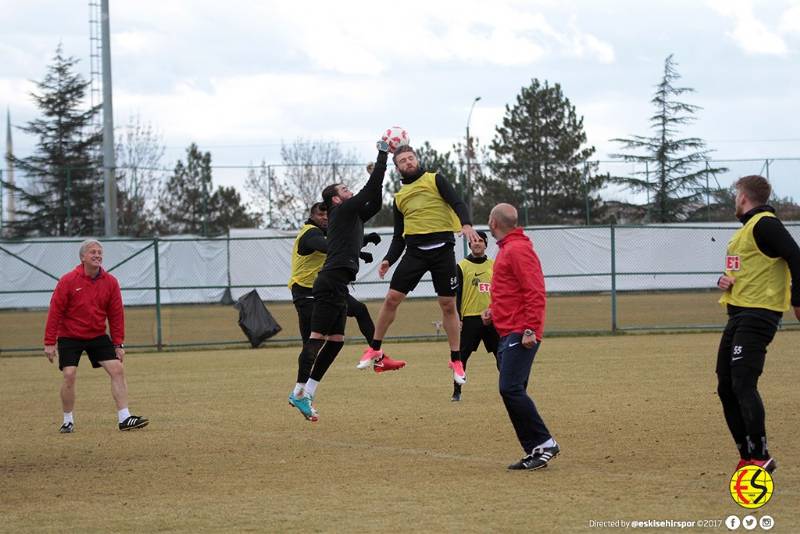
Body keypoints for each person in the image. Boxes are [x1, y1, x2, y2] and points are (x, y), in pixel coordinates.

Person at [287, 140, 405, 421]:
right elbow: (367, 191)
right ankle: (299, 391)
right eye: (344, 190)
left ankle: (308, 392)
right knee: (314, 341)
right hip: (326, 285)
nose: (349, 191)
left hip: (335, 283)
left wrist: (378, 177)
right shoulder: (340, 211)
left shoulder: (349, 215)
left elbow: (373, 200)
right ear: (337, 200)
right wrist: (382, 155)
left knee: (336, 341)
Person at [357, 144, 482, 385]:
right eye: (402, 160)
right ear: (397, 168)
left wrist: (466, 223)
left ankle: (456, 359)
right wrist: (388, 260)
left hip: (442, 250)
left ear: (417, 159)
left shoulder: (435, 180)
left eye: (410, 158)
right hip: (414, 252)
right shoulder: (399, 197)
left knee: (447, 305)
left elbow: (457, 202)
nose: (408, 162)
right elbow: (398, 237)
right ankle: (374, 348)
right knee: (391, 298)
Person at [716, 175, 800, 474]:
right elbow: (744, 271)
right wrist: (723, 280)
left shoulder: (766, 223)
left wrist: (798, 299)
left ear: (743, 197)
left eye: (736, 194)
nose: (734, 199)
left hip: (758, 315)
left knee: (742, 383)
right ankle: (747, 455)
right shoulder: (747, 232)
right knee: (726, 386)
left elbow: (795, 256)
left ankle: (760, 455)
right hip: (738, 315)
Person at [43, 239, 149, 433]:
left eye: (100, 252)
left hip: (97, 335)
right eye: (92, 252)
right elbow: (55, 311)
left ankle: (125, 418)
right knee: (69, 374)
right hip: (70, 336)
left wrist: (118, 344)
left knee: (117, 369)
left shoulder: (110, 282)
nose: (97, 255)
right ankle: (68, 420)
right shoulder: (68, 280)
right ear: (83, 257)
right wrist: (50, 342)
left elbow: (116, 314)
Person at [482, 203, 558, 471]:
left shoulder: (518, 249)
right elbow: (511, 289)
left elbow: (535, 291)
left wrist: (531, 329)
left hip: (520, 331)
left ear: (494, 223)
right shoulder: (507, 249)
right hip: (507, 330)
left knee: (510, 388)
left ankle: (544, 443)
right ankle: (536, 448)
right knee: (513, 389)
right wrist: (494, 310)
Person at [452, 229, 499, 401]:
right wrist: (458, 317)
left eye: (481, 240)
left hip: (492, 318)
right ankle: (457, 391)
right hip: (470, 318)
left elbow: (501, 291)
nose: (477, 243)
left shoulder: (494, 265)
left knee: (501, 354)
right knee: (461, 356)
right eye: (474, 241)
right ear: (470, 244)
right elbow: (457, 294)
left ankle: (509, 389)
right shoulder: (462, 266)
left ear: (486, 244)